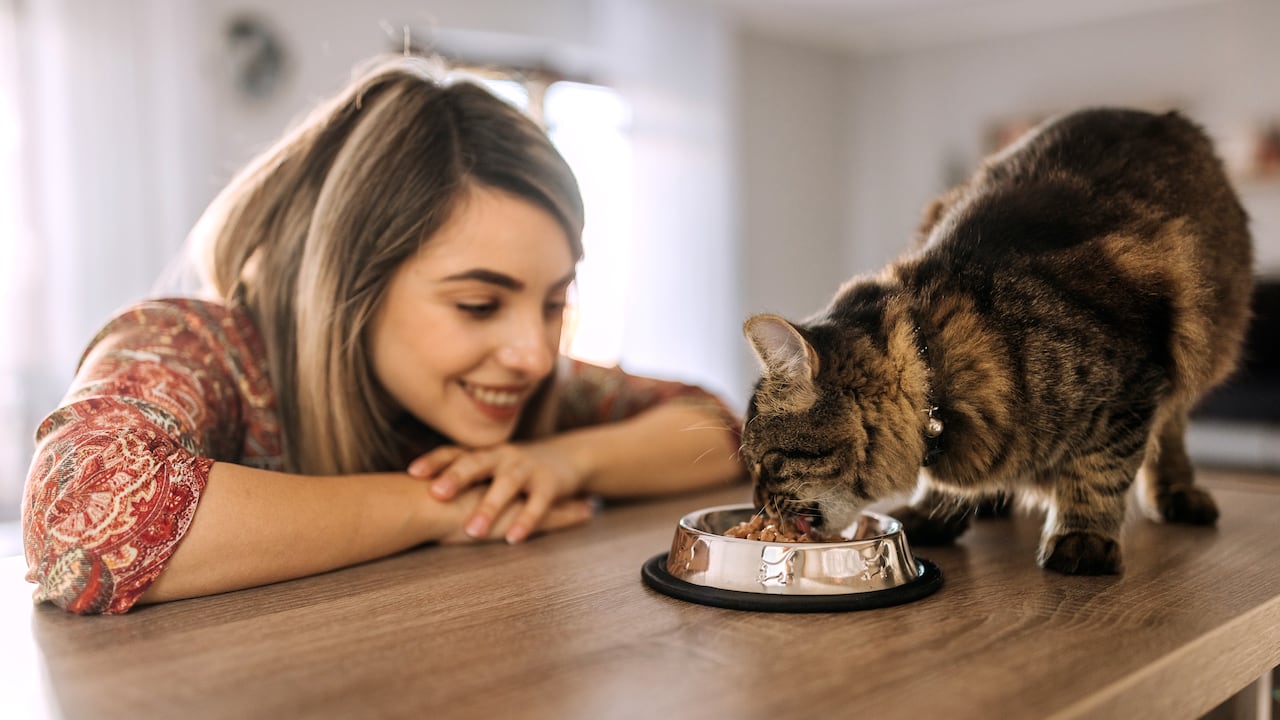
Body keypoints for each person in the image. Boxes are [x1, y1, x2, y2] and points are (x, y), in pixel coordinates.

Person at [21, 54, 746, 615]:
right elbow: (83, 521)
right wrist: (442, 504)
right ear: (349, 288)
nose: (533, 353)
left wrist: (564, 462)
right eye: (477, 305)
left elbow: (717, 430)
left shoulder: (531, 389)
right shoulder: (197, 346)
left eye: (554, 304)